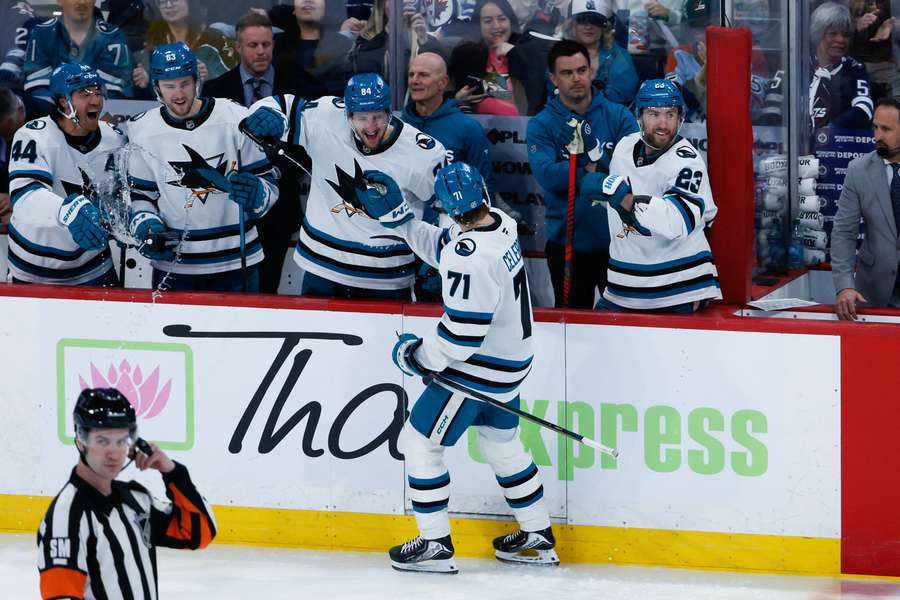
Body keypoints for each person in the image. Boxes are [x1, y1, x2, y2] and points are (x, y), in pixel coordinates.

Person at [354, 162, 557, 573]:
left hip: (476, 371)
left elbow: (460, 340)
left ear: (444, 206)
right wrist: (403, 222)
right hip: (511, 364)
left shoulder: (471, 258)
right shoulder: (499, 224)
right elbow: (447, 245)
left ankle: (434, 543)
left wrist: (415, 356)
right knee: (502, 445)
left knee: (420, 443)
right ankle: (537, 534)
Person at [243, 72, 446, 299]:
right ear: (347, 115)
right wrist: (270, 114)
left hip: (386, 280)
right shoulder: (327, 116)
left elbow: (454, 210)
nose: (371, 127)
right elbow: (281, 104)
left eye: (377, 117)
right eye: (362, 118)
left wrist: (440, 256)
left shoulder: (423, 153)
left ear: (390, 112)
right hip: (321, 270)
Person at [126, 42, 278, 292]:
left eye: (185, 84)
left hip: (237, 263)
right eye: (170, 86)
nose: (179, 94)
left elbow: (269, 181)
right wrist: (146, 223)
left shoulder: (234, 117)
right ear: (157, 88)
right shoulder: (141, 129)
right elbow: (141, 195)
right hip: (176, 267)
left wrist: (259, 195)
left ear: (196, 80)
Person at [37, 387, 215, 599]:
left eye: (121, 441)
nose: (114, 453)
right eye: (102, 441)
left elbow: (200, 533)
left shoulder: (137, 501)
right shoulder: (66, 518)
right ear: (80, 440)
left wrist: (172, 472)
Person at [592, 79, 721, 312]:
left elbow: (678, 221)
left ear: (680, 118)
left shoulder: (687, 161)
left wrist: (627, 200)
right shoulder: (624, 147)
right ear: (639, 116)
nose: (663, 123)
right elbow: (608, 187)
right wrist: (588, 157)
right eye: (654, 114)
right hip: (623, 287)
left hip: (678, 289)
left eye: (670, 114)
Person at [527, 40, 638, 308]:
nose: (576, 78)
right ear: (553, 78)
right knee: (572, 333)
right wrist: (594, 168)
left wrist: (587, 164)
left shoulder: (618, 115)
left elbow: (636, 171)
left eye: (581, 70)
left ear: (591, 72)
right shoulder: (542, 124)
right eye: (567, 73)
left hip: (620, 243)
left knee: (626, 326)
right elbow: (547, 176)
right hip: (568, 246)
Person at [7, 63, 125, 286]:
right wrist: (70, 209)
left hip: (94, 267)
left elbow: (123, 196)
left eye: (98, 92)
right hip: (32, 268)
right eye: (84, 93)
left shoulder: (115, 138)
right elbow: (25, 196)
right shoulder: (33, 136)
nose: (96, 101)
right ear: (63, 101)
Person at [832, 96, 900, 319]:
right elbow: (844, 232)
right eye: (875, 127)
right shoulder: (858, 170)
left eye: (886, 129)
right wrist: (844, 286)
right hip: (874, 294)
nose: (877, 136)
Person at [761, 2, 873, 129]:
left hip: (838, 145)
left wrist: (829, 131)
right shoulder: (793, 65)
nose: (841, 40)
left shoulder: (855, 69)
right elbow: (771, 110)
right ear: (818, 33)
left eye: (845, 35)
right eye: (833, 33)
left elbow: (864, 109)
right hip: (795, 145)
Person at [23, 0, 133, 99]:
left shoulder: (112, 36)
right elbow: (39, 91)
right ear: (59, 1)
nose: (81, 2)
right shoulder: (42, 34)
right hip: (52, 114)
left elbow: (112, 92)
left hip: (98, 115)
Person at [132, 0, 238, 97]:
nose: (169, 5)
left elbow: (235, 82)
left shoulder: (215, 39)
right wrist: (146, 83)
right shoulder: (152, 45)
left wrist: (209, 77)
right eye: (163, 2)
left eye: (174, 0)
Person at [268, 0, 357, 100]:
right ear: (293, 8)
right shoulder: (275, 46)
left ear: (325, 6)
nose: (308, 1)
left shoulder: (344, 46)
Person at [203, 13, 291, 108]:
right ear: (238, 47)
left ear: (273, 45)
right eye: (253, 45)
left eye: (266, 44)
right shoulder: (212, 92)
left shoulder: (297, 86)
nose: (261, 51)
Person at [0, 85, 53, 226]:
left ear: (20, 110)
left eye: (6, 130)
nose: (4, 138)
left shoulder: (50, 120)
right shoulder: (7, 112)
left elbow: (56, 174)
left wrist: (17, 196)